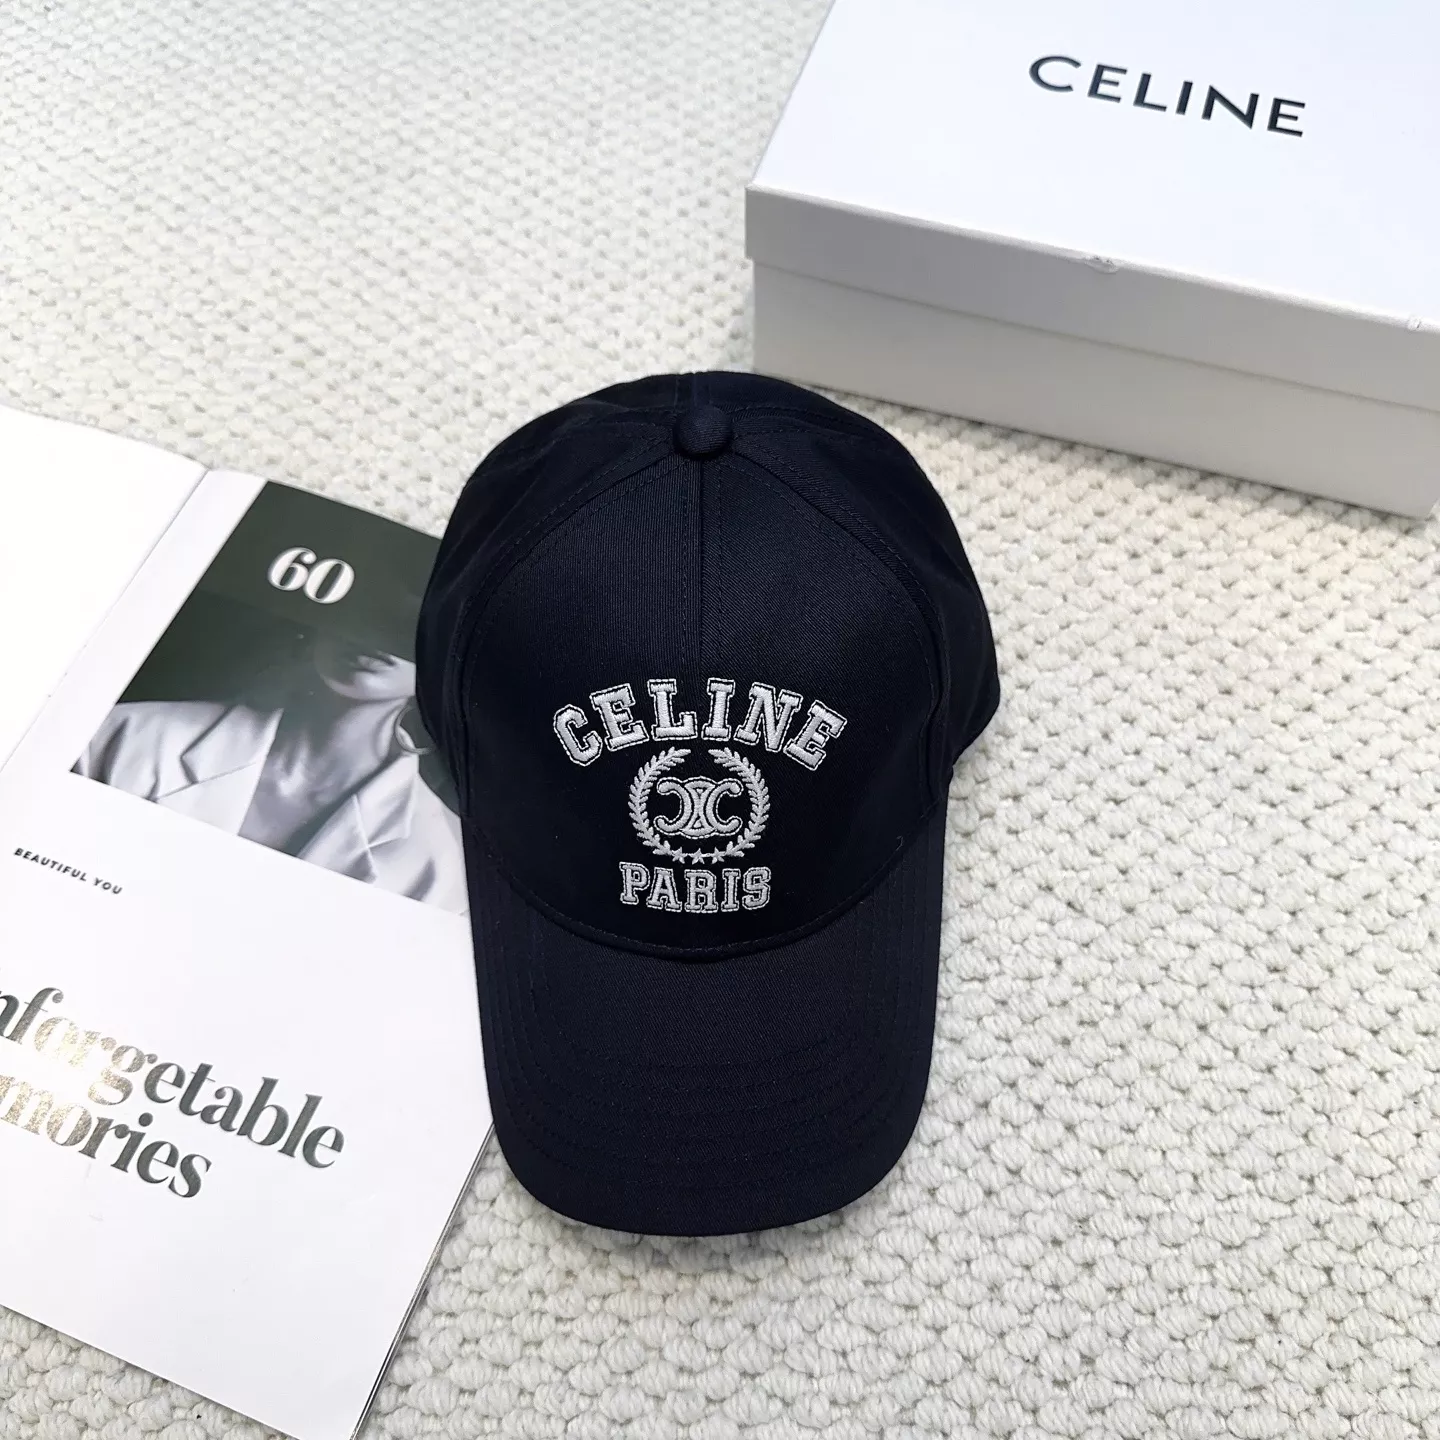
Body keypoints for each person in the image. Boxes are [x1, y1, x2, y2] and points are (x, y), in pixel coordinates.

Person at [76, 632, 468, 913]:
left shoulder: (441, 862)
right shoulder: (124, 735)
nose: (379, 634)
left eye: (411, 616)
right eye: (368, 602)